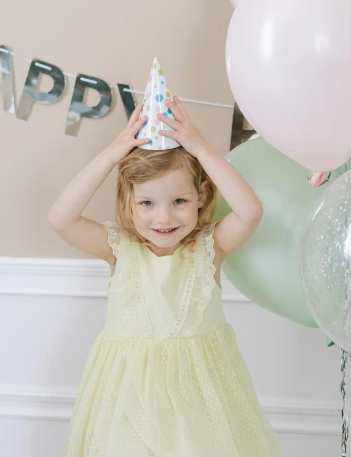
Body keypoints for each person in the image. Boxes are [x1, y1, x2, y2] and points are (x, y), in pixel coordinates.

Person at [48, 93, 285, 456]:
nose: (164, 218)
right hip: (127, 404)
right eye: (147, 203)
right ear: (129, 201)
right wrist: (113, 153)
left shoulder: (210, 248)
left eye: (179, 201)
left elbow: (250, 212)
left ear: (202, 196)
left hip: (200, 402)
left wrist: (201, 149)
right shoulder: (119, 250)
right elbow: (61, 219)